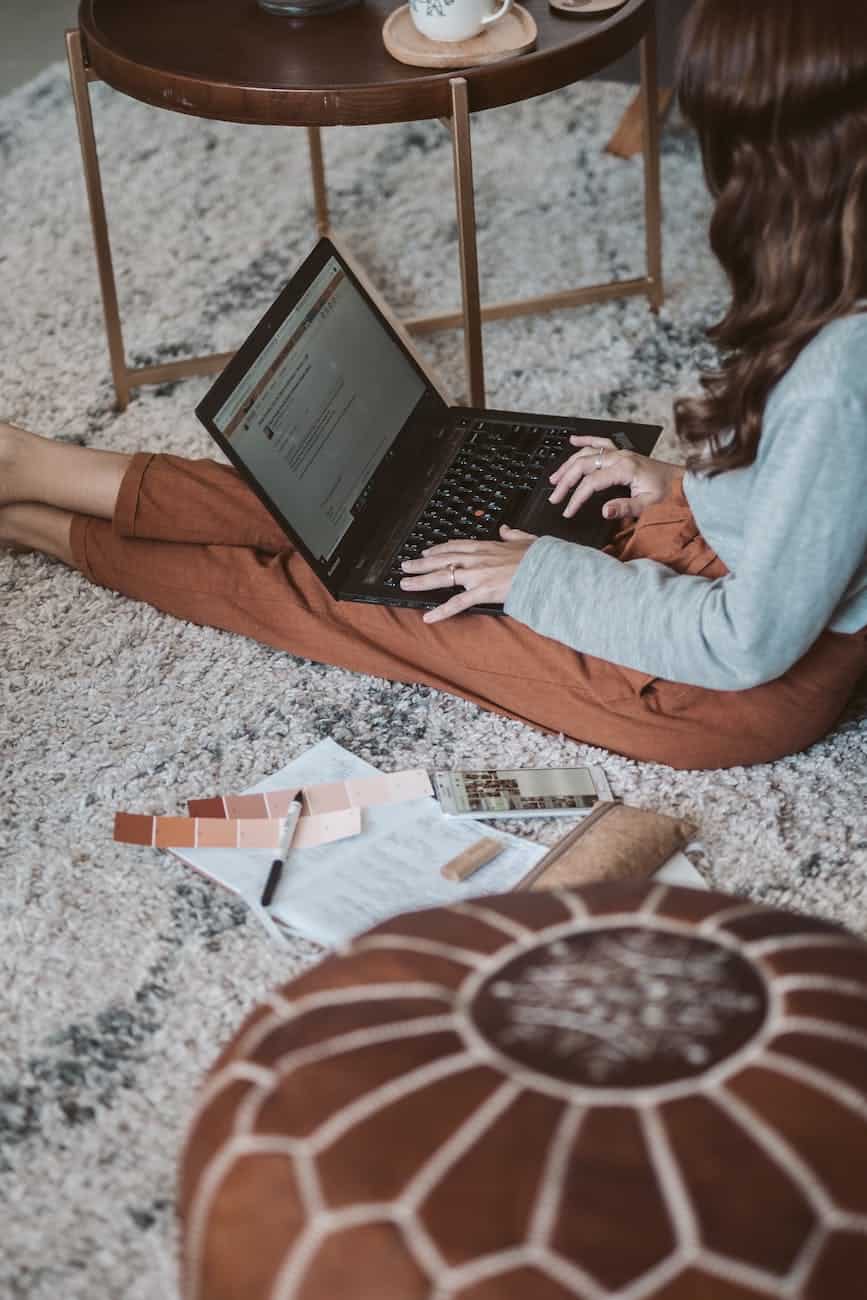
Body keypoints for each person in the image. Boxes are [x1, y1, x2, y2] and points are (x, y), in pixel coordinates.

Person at [2, 0, 866, 771]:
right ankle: (39, 468)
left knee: (352, 597)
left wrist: (536, 581)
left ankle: (38, 525)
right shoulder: (840, 318)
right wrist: (678, 486)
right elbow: (824, 509)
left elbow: (743, 645)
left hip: (713, 687)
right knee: (368, 520)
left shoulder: (839, 373)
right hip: (729, 565)